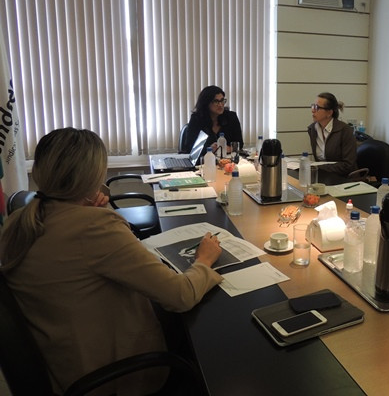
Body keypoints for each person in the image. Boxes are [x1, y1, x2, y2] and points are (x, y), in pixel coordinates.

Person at [0, 128, 223, 395]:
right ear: (94, 174)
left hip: (62, 362)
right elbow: (180, 295)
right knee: (209, 334)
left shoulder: (19, 220)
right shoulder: (95, 228)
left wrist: (89, 210)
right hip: (108, 373)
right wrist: (204, 260)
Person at [184, 85, 243, 158]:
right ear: (206, 103)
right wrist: (209, 149)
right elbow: (189, 147)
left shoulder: (231, 117)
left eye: (222, 100)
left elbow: (239, 144)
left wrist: (230, 148)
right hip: (204, 161)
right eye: (216, 101)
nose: (220, 105)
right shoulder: (197, 119)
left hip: (227, 160)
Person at [307, 92, 357, 176]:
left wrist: (318, 167)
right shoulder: (312, 129)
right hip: (324, 176)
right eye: (313, 106)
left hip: (344, 178)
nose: (313, 110)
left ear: (329, 113)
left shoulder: (345, 130)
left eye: (317, 107)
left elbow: (348, 165)